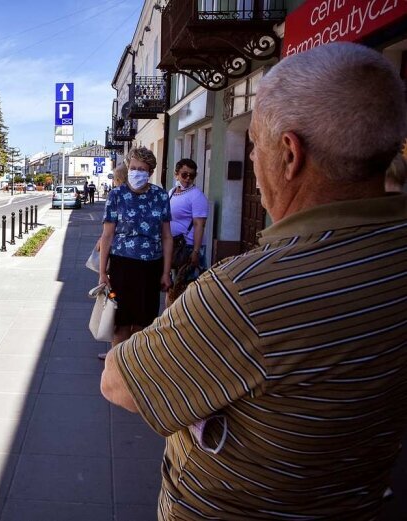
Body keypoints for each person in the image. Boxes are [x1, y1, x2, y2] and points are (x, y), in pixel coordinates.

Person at [101, 42, 407, 521]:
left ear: (289, 154)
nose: (250, 154)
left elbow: (119, 383)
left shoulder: (247, 293)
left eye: (256, 141)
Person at [97, 148, 172, 361]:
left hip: (150, 267)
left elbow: (167, 237)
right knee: (120, 321)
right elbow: (107, 236)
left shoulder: (159, 196)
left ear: (150, 172)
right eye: (133, 168)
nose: (137, 172)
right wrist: (103, 272)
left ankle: (136, 368)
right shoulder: (117, 195)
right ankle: (116, 368)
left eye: (142, 169)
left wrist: (166, 272)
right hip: (122, 266)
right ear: (128, 168)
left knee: (143, 322)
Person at [167, 158, 208, 304]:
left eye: (192, 175)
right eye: (185, 175)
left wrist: (196, 252)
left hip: (189, 248)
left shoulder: (196, 196)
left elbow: (199, 225)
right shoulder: (172, 192)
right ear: (176, 174)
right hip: (175, 247)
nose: (188, 179)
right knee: (171, 289)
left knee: (185, 292)